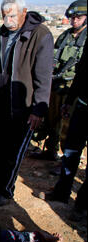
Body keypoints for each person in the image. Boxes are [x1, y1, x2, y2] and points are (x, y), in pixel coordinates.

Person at [0, 0, 54, 206]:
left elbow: (43, 76)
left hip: (25, 103)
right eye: (4, 16)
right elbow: (0, 65)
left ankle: (5, 191)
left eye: (12, 16)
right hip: (5, 99)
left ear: (24, 13)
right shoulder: (4, 33)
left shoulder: (41, 35)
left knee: (13, 150)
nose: (8, 20)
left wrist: (39, 109)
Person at [31, 0, 87, 162]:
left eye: (78, 17)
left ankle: (66, 158)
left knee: (68, 124)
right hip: (56, 83)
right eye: (72, 17)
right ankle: (50, 150)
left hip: (73, 87)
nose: (74, 20)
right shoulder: (65, 36)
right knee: (52, 119)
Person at [45, 40, 87, 222]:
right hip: (83, 107)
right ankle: (62, 192)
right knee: (70, 152)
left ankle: (82, 204)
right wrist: (70, 101)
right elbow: (81, 74)